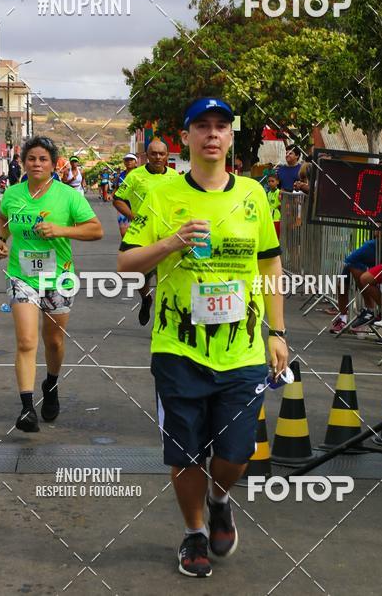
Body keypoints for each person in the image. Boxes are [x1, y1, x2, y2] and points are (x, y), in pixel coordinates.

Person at [118, 98, 288, 579]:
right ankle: (194, 532)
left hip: (243, 350)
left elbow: (269, 262)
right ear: (187, 137)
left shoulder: (253, 193)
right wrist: (171, 242)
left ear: (231, 137)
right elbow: (126, 262)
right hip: (178, 349)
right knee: (186, 452)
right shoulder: (163, 194)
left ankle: (219, 498)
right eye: (202, 127)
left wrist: (277, 332)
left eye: (221, 126)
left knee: (235, 454)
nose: (212, 134)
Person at [0, 136, 103, 432]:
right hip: (22, 276)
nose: (36, 164)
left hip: (60, 277)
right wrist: (0, 240)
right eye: (31, 158)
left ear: (54, 164)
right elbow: (3, 220)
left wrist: (60, 230)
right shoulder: (14, 194)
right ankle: (27, 408)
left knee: (54, 342)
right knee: (26, 341)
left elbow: (96, 230)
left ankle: (51, 384)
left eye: (43, 159)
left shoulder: (68, 196)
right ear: (23, 163)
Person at [113, 139, 178, 325]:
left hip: (167, 234)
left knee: (166, 278)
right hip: (142, 235)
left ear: (166, 156)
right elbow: (117, 200)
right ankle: (146, 298)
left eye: (161, 154)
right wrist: (134, 217)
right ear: (147, 156)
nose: (158, 157)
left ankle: (162, 320)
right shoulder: (134, 176)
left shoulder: (175, 177)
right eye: (154, 154)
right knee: (138, 275)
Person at [115, 152, 138, 238]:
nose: (129, 162)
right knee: (123, 233)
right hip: (123, 205)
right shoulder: (121, 175)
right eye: (127, 160)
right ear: (124, 162)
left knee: (136, 232)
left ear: (136, 162)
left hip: (136, 206)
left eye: (131, 160)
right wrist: (112, 195)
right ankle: (127, 249)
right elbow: (117, 188)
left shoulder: (140, 174)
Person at [265, 172, 282, 238]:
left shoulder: (279, 192)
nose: (270, 183)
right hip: (270, 219)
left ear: (277, 182)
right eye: (269, 181)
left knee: (276, 237)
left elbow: (281, 205)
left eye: (272, 181)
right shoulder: (268, 193)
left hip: (277, 219)